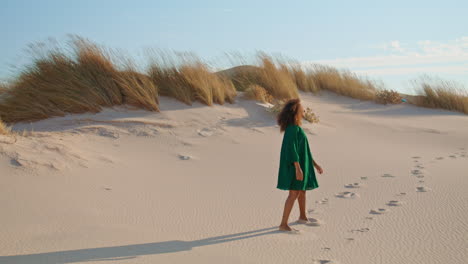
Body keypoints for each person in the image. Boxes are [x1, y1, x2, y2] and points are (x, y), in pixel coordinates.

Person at [276, 98, 323, 232]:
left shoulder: (297, 128)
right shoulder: (292, 129)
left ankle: (302, 216)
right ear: (295, 112)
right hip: (295, 166)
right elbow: (292, 149)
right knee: (294, 193)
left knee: (302, 191)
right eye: (301, 109)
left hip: (302, 164)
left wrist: (315, 164)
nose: (303, 110)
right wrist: (297, 168)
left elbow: (304, 150)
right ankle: (283, 224)